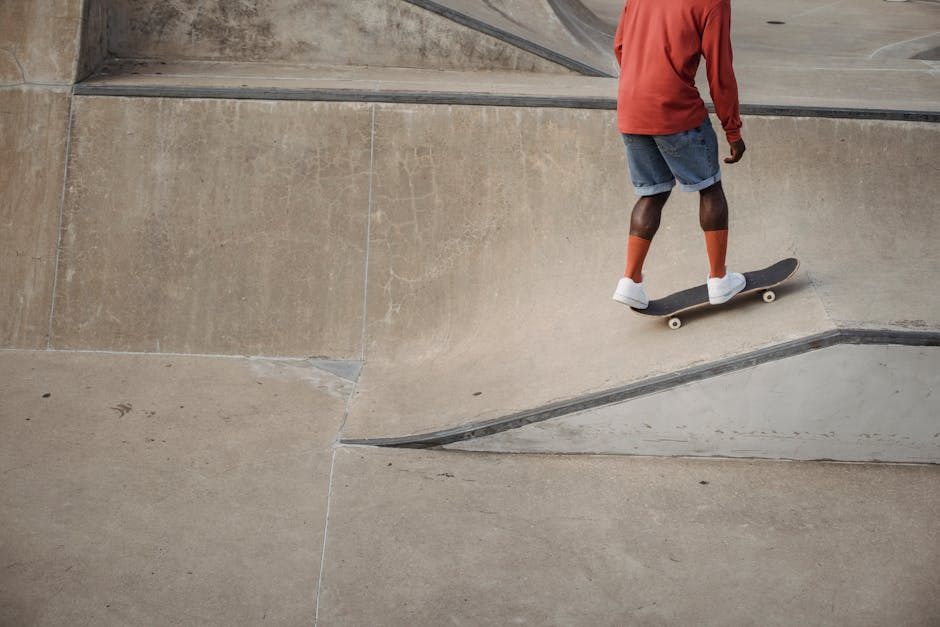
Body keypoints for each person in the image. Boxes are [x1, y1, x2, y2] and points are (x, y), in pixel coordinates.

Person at [611, 0, 747, 310]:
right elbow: (720, 70)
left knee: (652, 193)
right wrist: (733, 130)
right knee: (709, 187)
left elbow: (620, 46)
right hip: (674, 108)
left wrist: (644, 82)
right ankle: (719, 279)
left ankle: (630, 281)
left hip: (631, 106)